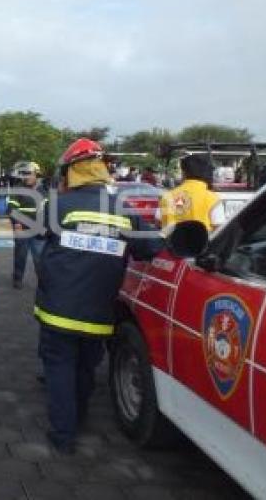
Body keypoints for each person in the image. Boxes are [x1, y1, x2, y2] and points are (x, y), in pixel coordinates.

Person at [35, 138, 163, 454]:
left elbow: (37, 236)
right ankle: (78, 417)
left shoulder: (55, 206)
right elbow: (150, 248)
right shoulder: (124, 209)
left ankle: (64, 435)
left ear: (71, 173)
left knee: (60, 368)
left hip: (56, 309)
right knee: (85, 367)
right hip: (98, 312)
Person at [159, 154, 226, 232]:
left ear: (184, 173)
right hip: (202, 243)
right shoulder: (212, 199)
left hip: (172, 243)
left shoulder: (168, 196)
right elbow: (218, 227)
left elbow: (159, 221)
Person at [8, 162, 45, 289]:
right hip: (22, 229)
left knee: (40, 257)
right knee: (20, 255)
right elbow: (12, 209)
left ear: (37, 175)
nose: (27, 177)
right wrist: (17, 223)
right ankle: (17, 279)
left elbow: (47, 209)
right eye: (25, 174)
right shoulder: (18, 189)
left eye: (30, 174)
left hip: (39, 230)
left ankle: (43, 280)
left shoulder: (43, 190)